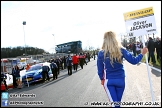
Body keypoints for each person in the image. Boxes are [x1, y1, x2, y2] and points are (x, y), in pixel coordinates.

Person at [97, 31, 148, 107]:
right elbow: (133, 61)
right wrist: (142, 54)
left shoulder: (101, 53)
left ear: (105, 40)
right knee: (117, 104)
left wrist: (101, 79)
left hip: (109, 81)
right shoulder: (121, 50)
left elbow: (100, 69)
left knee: (115, 105)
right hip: (121, 80)